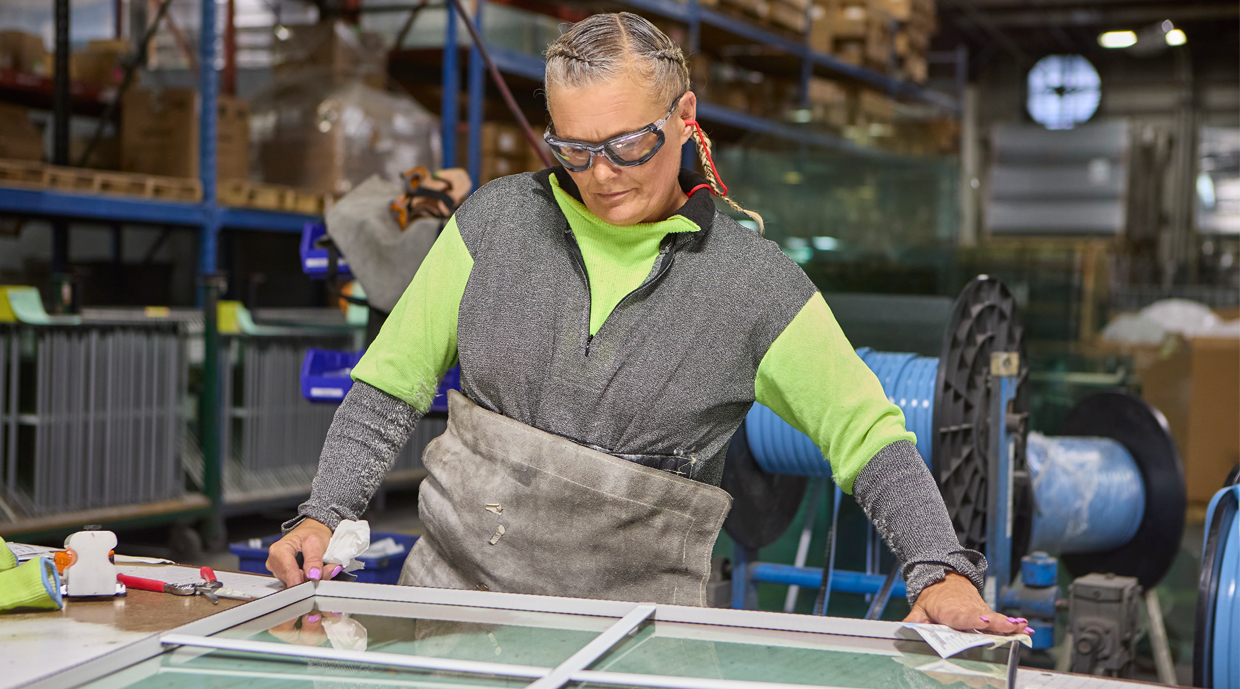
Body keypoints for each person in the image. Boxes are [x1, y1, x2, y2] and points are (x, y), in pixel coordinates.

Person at [267, 12, 1031, 635]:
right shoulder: (493, 225)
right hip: (453, 623)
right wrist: (323, 512)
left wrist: (940, 568)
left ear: (685, 118)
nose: (601, 174)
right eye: (574, 149)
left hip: (642, 643)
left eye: (629, 143)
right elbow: (387, 385)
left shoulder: (752, 288)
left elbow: (869, 437)